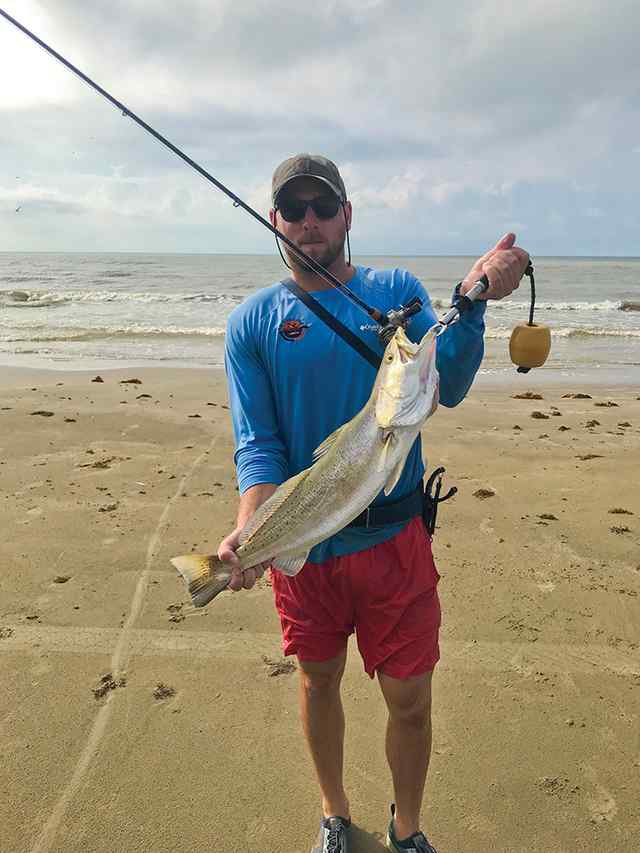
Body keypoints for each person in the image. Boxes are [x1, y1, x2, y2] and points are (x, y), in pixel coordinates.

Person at [219, 154, 529, 853]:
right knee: (317, 681)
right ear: (275, 222)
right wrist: (252, 530)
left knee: (410, 700)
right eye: (293, 208)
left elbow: (443, 382)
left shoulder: (395, 289)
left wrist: (473, 300)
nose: (309, 221)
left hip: (394, 545)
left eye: (322, 206)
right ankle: (334, 812)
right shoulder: (252, 324)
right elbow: (259, 447)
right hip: (309, 549)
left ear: (347, 215)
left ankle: (407, 827)